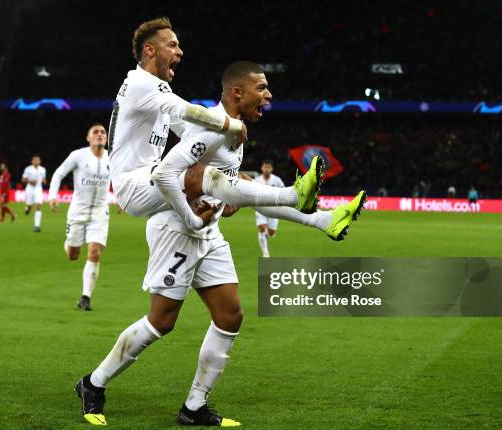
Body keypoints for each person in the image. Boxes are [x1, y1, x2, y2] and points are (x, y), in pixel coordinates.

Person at [73, 62, 366, 427]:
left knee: (230, 317)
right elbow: (169, 175)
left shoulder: (235, 136)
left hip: (208, 235)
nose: (269, 95)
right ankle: (93, 383)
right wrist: (196, 212)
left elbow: (241, 196)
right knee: (161, 322)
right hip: (175, 231)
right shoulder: (208, 129)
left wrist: (318, 221)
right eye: (261, 88)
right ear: (237, 93)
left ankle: (194, 407)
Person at [108, 17, 323, 234]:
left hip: (145, 180)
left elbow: (187, 128)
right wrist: (230, 125)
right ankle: (294, 195)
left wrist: (226, 185)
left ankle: (320, 220)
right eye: (172, 45)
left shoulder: (154, 89)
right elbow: (188, 111)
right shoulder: (140, 83)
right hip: (134, 183)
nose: (180, 51)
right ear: (149, 50)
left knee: (239, 179)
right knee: (202, 174)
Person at [48, 124, 111, 311]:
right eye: (96, 132)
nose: (100, 135)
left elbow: (120, 179)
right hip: (78, 211)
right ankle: (69, 243)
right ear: (88, 138)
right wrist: (52, 196)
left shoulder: (113, 157)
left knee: (94, 252)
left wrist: (124, 199)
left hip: (100, 212)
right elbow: (59, 173)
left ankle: (85, 297)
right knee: (73, 255)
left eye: (103, 133)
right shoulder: (78, 155)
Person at [253, 160, 284, 257]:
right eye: (265, 167)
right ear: (262, 168)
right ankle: (265, 252)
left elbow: (283, 190)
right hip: (260, 208)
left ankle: (268, 233)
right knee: (262, 228)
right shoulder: (257, 180)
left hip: (274, 209)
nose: (266, 169)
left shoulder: (277, 180)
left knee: (271, 233)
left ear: (271, 169)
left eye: (268, 167)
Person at [22, 155, 46, 232]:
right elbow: (23, 179)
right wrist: (29, 181)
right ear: (32, 161)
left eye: (37, 160)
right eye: (34, 160)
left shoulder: (43, 169)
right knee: (29, 205)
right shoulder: (28, 169)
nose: (36, 161)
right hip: (30, 188)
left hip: (38, 188)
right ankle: (27, 208)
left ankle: (37, 226)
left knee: (38, 205)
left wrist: (44, 181)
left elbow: (43, 179)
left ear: (39, 161)